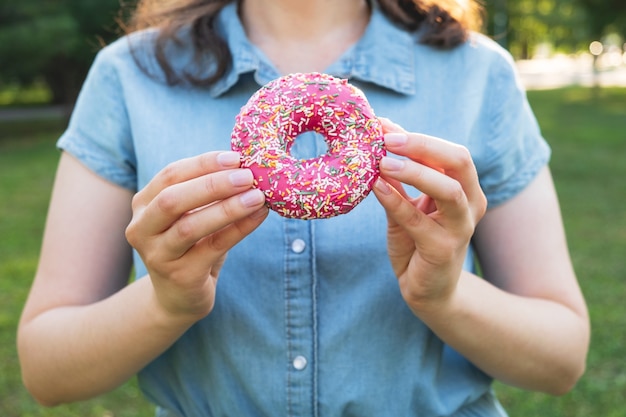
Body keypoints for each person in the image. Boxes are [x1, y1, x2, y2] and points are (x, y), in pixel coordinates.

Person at [17, 0, 590, 416]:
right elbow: (47, 372)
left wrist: (444, 294)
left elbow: (561, 360)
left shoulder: (477, 74)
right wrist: (165, 300)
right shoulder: (129, 76)